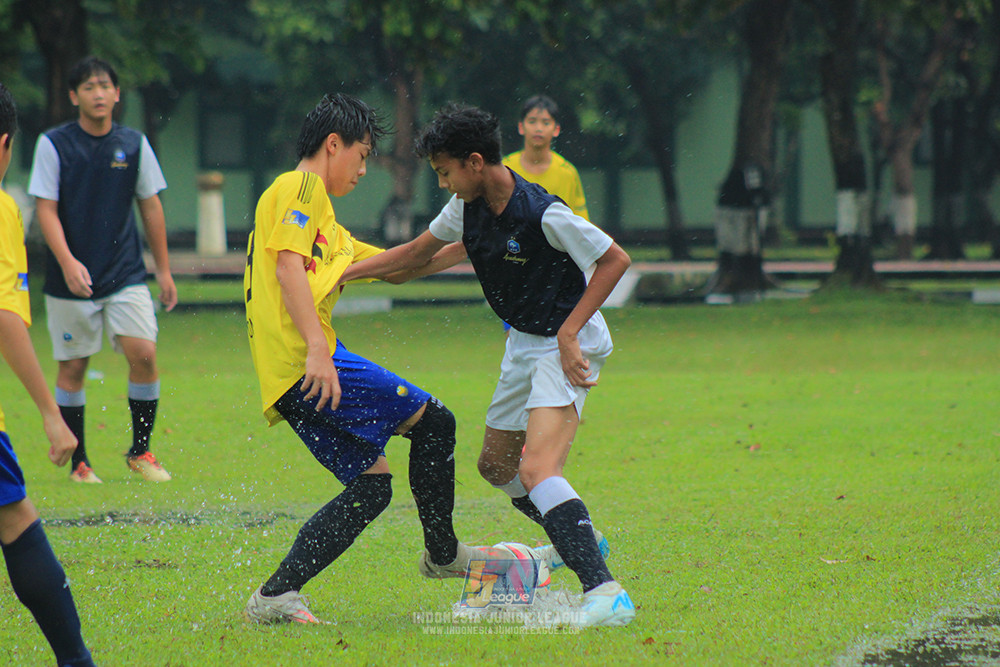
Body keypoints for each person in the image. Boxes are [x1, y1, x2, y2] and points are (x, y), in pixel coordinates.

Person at [340, 103, 636, 628]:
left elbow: (615, 260)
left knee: (537, 469)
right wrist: (343, 273)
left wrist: (570, 333)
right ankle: (579, 535)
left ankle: (606, 592)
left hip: (565, 342)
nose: (443, 183)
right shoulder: (466, 208)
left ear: (475, 162)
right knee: (497, 466)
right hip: (524, 341)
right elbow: (413, 256)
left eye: (445, 172)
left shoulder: (542, 212)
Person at [243, 93, 496, 625]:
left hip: (288, 378)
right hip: (309, 364)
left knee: (371, 488)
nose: (363, 170)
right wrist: (318, 350)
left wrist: (472, 242)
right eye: (361, 155)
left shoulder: (326, 224)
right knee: (436, 423)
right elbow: (287, 267)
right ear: (333, 145)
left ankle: (274, 596)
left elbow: (398, 267)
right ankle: (444, 555)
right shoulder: (300, 187)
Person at [27, 56, 177, 484]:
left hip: (125, 271)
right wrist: (67, 262)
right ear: (74, 96)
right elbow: (46, 209)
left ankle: (141, 451)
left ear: (117, 93)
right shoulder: (54, 144)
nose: (98, 94)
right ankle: (80, 463)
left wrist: (164, 270)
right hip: (69, 278)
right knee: (73, 367)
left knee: (144, 353)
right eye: (89, 87)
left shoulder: (134, 144)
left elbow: (151, 206)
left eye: (105, 86)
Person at [0, 81, 97, 667]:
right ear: (4, 144)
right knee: (15, 518)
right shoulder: (2, 208)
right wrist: (50, 413)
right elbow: (5, 317)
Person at [502, 94, 589, 219]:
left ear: (556, 129)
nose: (538, 128)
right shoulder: (506, 168)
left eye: (546, 123)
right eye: (532, 121)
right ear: (521, 127)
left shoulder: (567, 173)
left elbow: (579, 221)